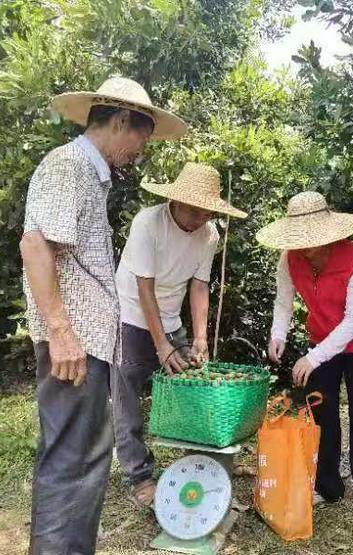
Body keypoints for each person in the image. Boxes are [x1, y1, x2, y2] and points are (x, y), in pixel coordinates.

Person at [20, 77, 186, 554]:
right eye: (141, 136)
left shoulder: (89, 175)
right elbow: (35, 245)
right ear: (118, 123)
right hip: (74, 345)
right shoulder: (68, 166)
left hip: (88, 341)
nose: (141, 149)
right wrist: (61, 333)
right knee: (71, 460)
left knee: (84, 458)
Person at [113, 162, 247, 507]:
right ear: (174, 201)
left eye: (206, 212)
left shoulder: (210, 234)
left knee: (191, 391)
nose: (198, 218)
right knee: (127, 398)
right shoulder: (148, 223)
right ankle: (140, 477)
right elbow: (145, 288)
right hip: (129, 315)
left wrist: (199, 338)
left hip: (171, 319)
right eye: (191, 209)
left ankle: (199, 465)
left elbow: (199, 286)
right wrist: (161, 346)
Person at [256, 191, 353, 517]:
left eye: (311, 240)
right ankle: (326, 484)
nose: (305, 248)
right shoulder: (289, 258)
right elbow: (283, 301)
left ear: (329, 235)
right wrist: (278, 335)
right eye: (299, 241)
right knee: (321, 413)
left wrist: (313, 358)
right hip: (320, 338)